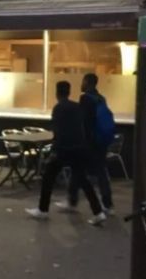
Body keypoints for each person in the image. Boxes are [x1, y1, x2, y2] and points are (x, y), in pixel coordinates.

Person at [26, 81, 106, 225]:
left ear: (57, 93)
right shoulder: (76, 107)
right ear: (69, 92)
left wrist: (54, 150)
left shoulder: (58, 108)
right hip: (79, 148)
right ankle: (98, 212)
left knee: (48, 177)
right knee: (83, 180)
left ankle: (43, 210)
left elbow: (59, 132)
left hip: (64, 149)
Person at [56, 73, 115, 215]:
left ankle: (72, 202)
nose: (81, 84)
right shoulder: (101, 98)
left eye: (83, 81)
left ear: (87, 82)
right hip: (101, 142)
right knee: (100, 172)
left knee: (77, 170)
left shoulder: (85, 98)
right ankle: (108, 205)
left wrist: (80, 140)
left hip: (88, 143)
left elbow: (82, 122)